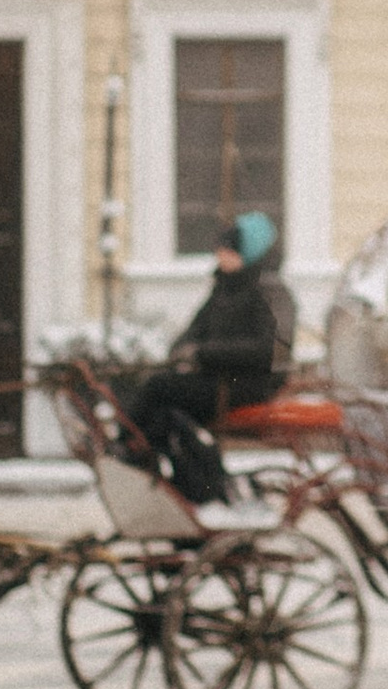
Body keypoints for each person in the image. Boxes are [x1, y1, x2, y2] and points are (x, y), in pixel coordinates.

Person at [124, 212, 294, 506]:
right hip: (216, 377)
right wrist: (181, 350)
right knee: (162, 408)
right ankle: (182, 485)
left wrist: (203, 354)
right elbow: (195, 329)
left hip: (249, 384)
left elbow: (270, 352)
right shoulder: (224, 288)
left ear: (248, 253)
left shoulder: (272, 293)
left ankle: (129, 448)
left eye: (228, 250)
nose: (220, 256)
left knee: (159, 388)